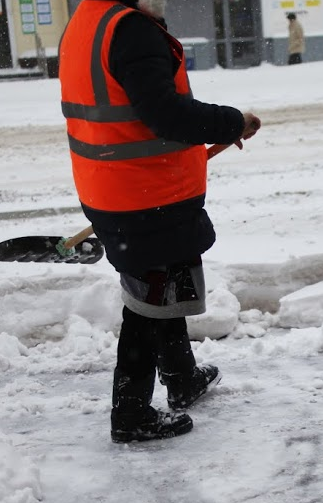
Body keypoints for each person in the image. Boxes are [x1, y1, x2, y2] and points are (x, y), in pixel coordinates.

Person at [59, 0, 261, 443]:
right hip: (145, 191)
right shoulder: (132, 30)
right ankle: (130, 414)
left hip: (111, 184)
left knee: (163, 282)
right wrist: (232, 122)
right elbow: (166, 114)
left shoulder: (88, 22)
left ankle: (181, 378)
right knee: (148, 304)